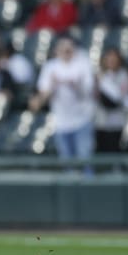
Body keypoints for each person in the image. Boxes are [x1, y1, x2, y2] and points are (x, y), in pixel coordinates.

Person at [30, 35, 95, 163]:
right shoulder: (50, 67)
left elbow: (88, 92)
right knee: (66, 160)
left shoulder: (83, 64)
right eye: (62, 49)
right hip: (60, 121)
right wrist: (53, 85)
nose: (66, 52)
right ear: (56, 50)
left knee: (85, 158)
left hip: (82, 119)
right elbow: (44, 92)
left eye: (69, 49)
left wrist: (74, 85)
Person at [95, 49, 128, 152]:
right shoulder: (98, 74)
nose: (111, 61)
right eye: (109, 59)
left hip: (117, 120)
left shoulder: (124, 75)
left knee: (114, 148)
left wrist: (103, 80)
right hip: (100, 120)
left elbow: (119, 96)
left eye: (114, 59)